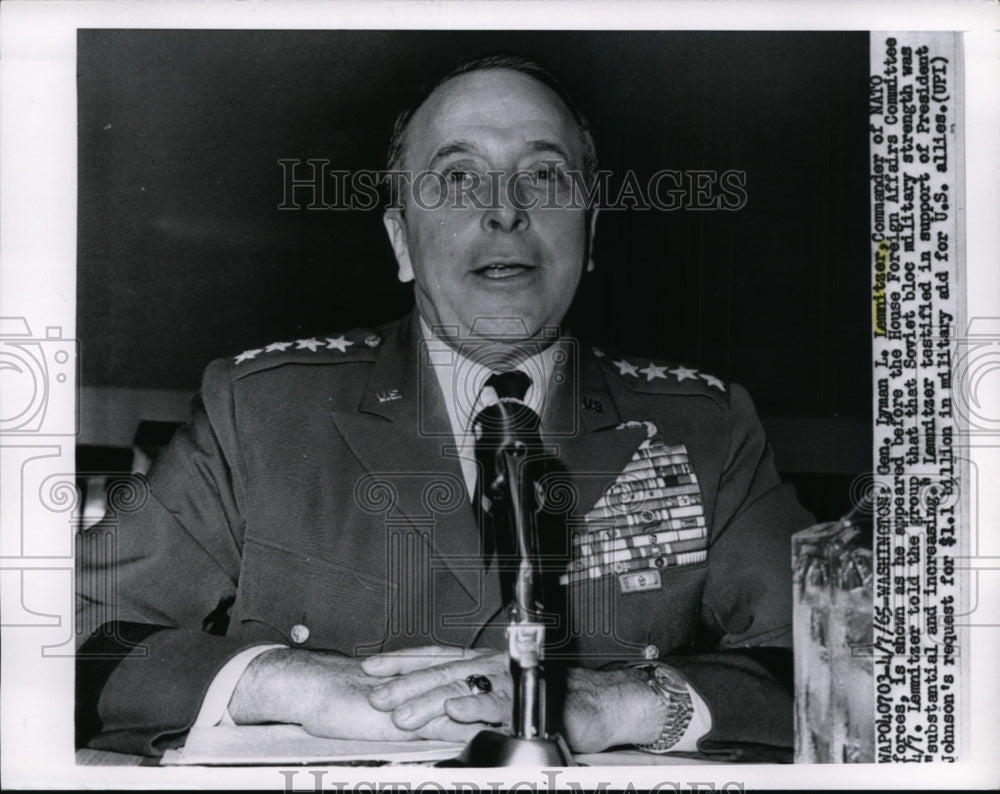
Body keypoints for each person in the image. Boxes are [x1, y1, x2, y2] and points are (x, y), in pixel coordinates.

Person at [76, 53, 814, 762]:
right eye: (458, 178)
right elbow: (59, 635)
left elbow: (853, 660)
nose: (504, 211)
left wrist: (619, 703)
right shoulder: (258, 412)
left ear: (591, 234)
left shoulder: (704, 428)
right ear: (401, 240)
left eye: (545, 175)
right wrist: (282, 683)